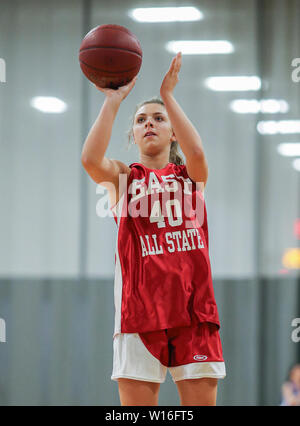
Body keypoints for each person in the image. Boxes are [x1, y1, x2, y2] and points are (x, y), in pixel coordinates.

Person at [81, 52, 226, 406]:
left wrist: (169, 95)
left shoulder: (191, 177)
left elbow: (197, 150)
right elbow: (90, 159)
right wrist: (114, 101)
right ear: (132, 132)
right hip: (139, 315)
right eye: (142, 119)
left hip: (194, 313)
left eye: (159, 119)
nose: (149, 124)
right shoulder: (125, 179)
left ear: (172, 131)